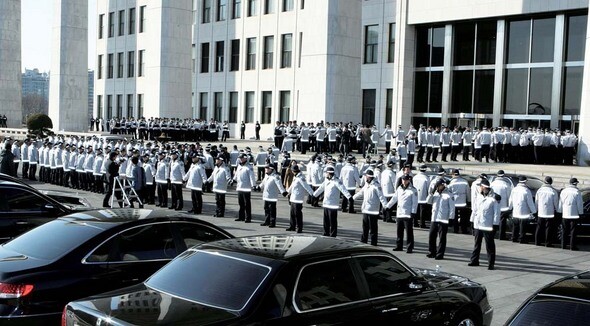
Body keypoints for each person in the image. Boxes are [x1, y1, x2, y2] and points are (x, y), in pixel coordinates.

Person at [468, 179, 500, 270]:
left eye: (480, 186)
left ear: (483, 187)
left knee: (489, 245)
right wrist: (472, 220)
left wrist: (495, 224)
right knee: (477, 244)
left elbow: (496, 213)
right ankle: (474, 260)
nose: (479, 188)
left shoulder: (494, 198)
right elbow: (475, 209)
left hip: (487, 225)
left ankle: (491, 263)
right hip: (478, 223)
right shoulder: (479, 196)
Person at [313, 166, 352, 237]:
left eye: (326, 173)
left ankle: (333, 234)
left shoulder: (336, 181)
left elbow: (343, 189)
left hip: (333, 205)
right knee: (326, 221)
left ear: (329, 173)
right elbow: (321, 188)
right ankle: (326, 233)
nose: (325, 174)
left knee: (333, 221)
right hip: (326, 204)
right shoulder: (327, 180)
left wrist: (349, 197)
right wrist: (314, 195)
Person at [353, 169, 389, 246]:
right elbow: (360, 193)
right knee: (365, 228)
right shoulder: (366, 184)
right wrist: (352, 198)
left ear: (369, 177)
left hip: (373, 210)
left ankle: (373, 243)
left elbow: (381, 197)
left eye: (366, 176)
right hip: (365, 209)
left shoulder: (376, 185)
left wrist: (386, 206)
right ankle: (363, 241)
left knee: (373, 229)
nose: (365, 177)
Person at [387, 174, 418, 253]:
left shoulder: (413, 190)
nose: (404, 181)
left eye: (406, 179)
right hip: (400, 213)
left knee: (409, 232)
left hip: (407, 213)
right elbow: (394, 198)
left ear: (409, 180)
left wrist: (413, 212)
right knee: (399, 231)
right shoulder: (399, 188)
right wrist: (388, 206)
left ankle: (409, 247)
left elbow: (415, 203)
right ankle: (399, 246)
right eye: (403, 179)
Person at [426, 179, 455, 260]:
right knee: (432, 236)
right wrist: (431, 193)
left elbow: (452, 208)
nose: (441, 186)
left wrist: (451, 218)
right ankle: (431, 251)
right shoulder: (434, 194)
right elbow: (428, 201)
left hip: (443, 219)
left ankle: (440, 254)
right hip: (434, 218)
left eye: (442, 185)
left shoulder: (449, 194)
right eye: (439, 185)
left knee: (442, 238)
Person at [508, 176, 537, 244]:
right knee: (522, 227)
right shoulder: (526, 191)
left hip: (515, 211)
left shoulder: (514, 189)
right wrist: (534, 211)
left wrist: (510, 208)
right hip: (524, 212)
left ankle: (514, 237)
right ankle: (521, 238)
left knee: (515, 226)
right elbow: (530, 203)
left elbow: (511, 199)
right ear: (525, 182)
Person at [286, 164, 314, 233]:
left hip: (298, 199)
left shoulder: (301, 178)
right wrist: (287, 192)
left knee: (297, 214)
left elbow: (306, 186)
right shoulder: (295, 177)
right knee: (292, 213)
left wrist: (312, 194)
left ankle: (299, 227)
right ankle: (292, 226)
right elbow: (292, 186)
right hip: (293, 198)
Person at [559, 177, 584, 250]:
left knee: (564, 230)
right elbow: (579, 204)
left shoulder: (564, 191)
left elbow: (561, 202)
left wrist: (560, 211)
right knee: (573, 231)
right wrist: (581, 213)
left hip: (565, 214)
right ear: (575, 184)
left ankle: (563, 245)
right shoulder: (577, 192)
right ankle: (572, 246)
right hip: (574, 214)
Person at [534, 176, 559, 247]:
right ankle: (547, 243)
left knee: (539, 227)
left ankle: (537, 241)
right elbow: (556, 203)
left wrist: (536, 210)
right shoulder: (553, 191)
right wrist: (557, 210)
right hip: (549, 212)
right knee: (548, 228)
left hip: (541, 212)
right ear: (551, 182)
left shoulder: (539, 190)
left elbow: (536, 201)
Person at [233, 153, 257, 223]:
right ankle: (241, 217)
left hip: (246, 188)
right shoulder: (239, 166)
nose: (240, 159)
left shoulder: (249, 167)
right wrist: (233, 180)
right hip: (240, 187)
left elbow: (252, 177)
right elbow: (236, 174)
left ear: (246, 158)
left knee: (247, 204)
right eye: (240, 158)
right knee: (241, 203)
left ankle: (248, 218)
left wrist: (253, 185)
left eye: (242, 158)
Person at [490, 170, 513, 240]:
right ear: (504, 176)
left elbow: (490, 194)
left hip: (493, 205)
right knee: (502, 222)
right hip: (503, 206)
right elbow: (510, 196)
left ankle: (492, 234)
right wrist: (510, 206)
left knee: (493, 220)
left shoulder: (492, 184)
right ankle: (501, 236)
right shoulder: (506, 185)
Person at [448, 169, 470, 234]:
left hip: (454, 201)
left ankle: (456, 230)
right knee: (463, 217)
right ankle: (464, 230)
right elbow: (468, 192)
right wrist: (469, 200)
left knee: (455, 216)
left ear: (452, 174)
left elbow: (449, 193)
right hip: (462, 202)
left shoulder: (451, 182)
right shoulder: (464, 181)